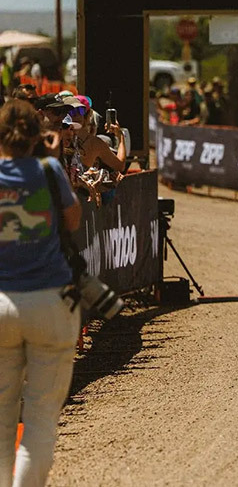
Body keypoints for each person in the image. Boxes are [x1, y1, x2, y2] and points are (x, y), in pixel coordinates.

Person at [0, 98, 83, 485]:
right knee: (40, 419)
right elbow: (73, 219)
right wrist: (49, 159)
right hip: (50, 300)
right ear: (37, 135)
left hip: (2, 302)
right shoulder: (49, 170)